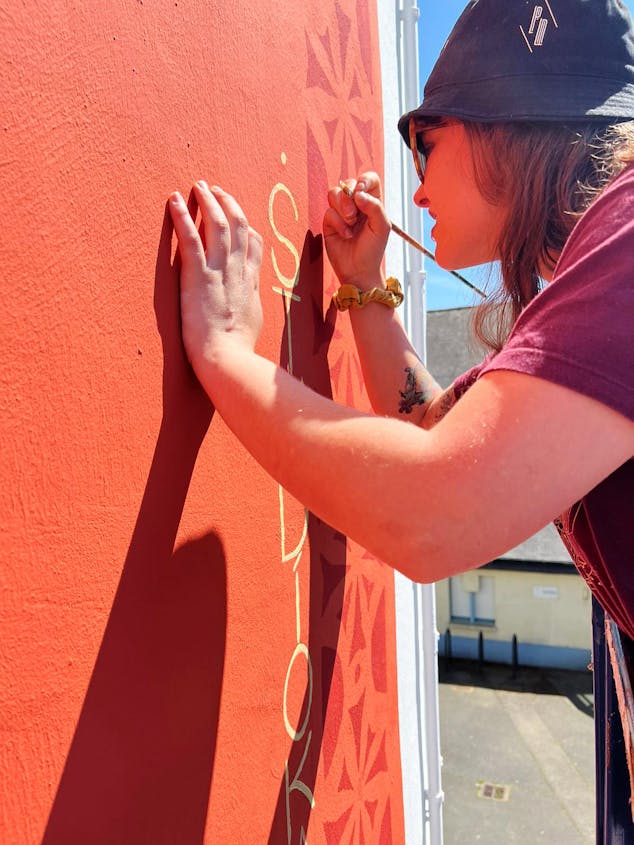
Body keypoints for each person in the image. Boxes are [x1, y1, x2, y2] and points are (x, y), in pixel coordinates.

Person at [168, 0, 633, 838]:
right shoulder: (594, 287)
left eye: (425, 140)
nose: (413, 180)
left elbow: (436, 509)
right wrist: (363, 289)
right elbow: (436, 435)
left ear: (508, 115)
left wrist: (229, 355)